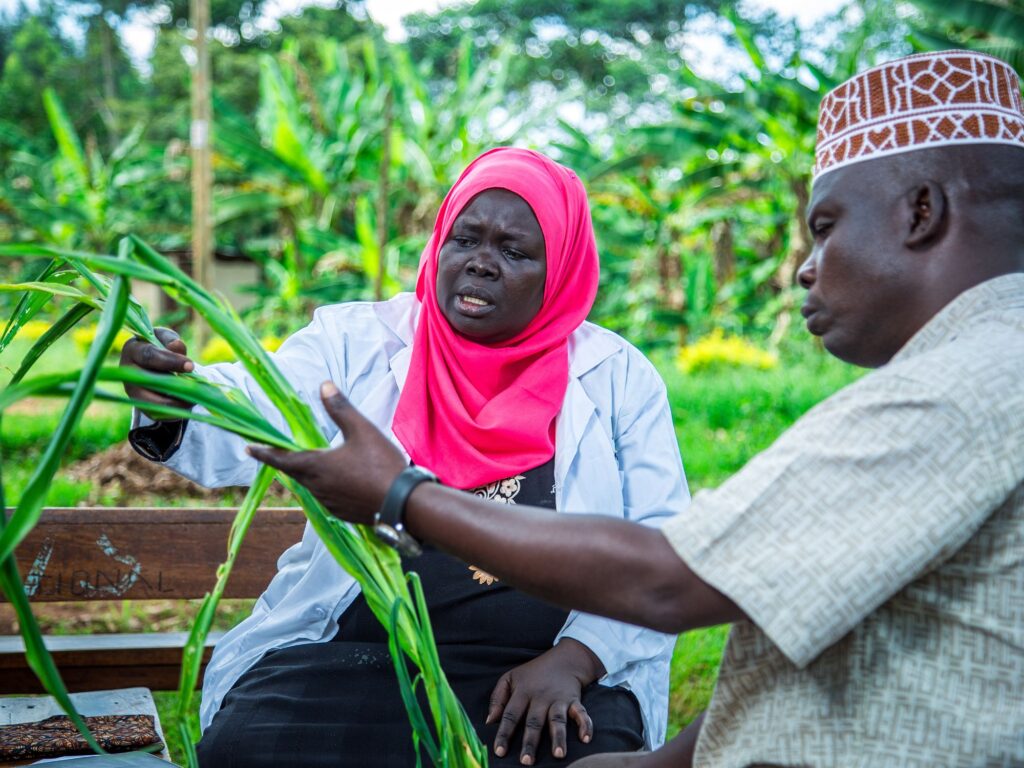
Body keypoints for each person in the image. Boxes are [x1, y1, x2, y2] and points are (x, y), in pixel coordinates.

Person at [249, 50, 1024, 767]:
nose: (803, 268)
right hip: (360, 665)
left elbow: (669, 578)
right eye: (465, 239)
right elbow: (836, 651)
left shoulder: (958, 389)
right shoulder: (985, 365)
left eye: (824, 228)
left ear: (921, 213)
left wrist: (400, 495)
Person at [121, 147, 690, 766]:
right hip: (358, 652)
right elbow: (263, 406)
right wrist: (178, 394)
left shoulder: (617, 378)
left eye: (514, 251)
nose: (480, 263)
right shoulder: (355, 342)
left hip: (538, 669)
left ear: (560, 272)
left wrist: (578, 659)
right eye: (464, 239)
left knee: (579, 753)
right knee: (251, 750)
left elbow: (666, 543)